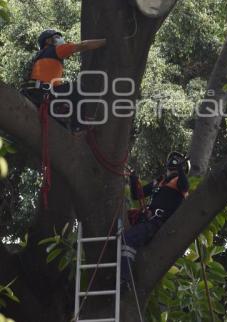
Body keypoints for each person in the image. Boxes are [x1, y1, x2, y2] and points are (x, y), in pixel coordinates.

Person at [121, 151, 190, 290]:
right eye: (174, 158)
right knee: (122, 226)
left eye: (178, 160)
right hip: (146, 219)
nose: (174, 160)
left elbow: (185, 186)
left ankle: (124, 280)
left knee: (128, 239)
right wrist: (134, 179)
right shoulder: (159, 181)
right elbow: (137, 194)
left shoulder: (179, 182)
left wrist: (181, 170)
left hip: (157, 223)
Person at [21, 29, 106, 132]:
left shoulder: (39, 56)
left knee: (64, 119)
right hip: (44, 94)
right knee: (78, 88)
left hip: (35, 95)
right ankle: (78, 126)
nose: (60, 39)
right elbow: (84, 45)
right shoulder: (55, 50)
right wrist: (106, 41)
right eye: (56, 37)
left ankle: (68, 123)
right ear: (48, 41)